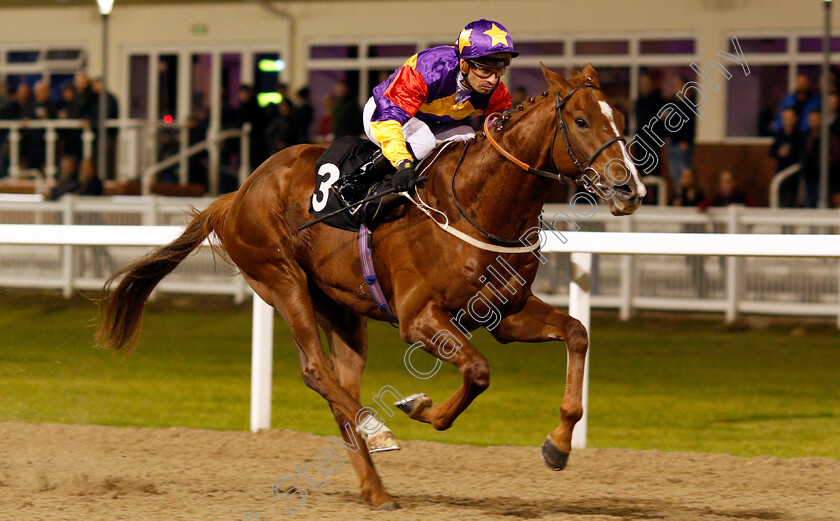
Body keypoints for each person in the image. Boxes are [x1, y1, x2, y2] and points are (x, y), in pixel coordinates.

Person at [362, 19, 517, 192]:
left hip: (433, 123)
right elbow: (387, 118)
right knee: (423, 141)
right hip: (383, 114)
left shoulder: (496, 92)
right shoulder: (429, 71)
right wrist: (403, 164)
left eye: (498, 72)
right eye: (485, 70)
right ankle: (362, 177)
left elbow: (498, 133)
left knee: (467, 140)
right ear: (464, 64)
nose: (492, 80)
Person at [665, 76, 696, 191]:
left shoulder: (688, 105)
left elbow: (689, 124)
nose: (676, 88)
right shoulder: (675, 103)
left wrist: (686, 140)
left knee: (684, 173)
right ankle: (679, 193)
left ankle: (685, 195)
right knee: (674, 173)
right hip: (673, 143)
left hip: (682, 144)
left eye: (678, 85)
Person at [769, 108, 804, 207]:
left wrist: (791, 153)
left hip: (793, 175)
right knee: (778, 199)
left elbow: (802, 153)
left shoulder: (799, 135)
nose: (787, 121)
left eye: (789, 118)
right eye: (785, 118)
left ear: (795, 119)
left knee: (790, 202)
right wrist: (779, 153)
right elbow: (772, 152)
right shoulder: (779, 134)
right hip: (780, 171)